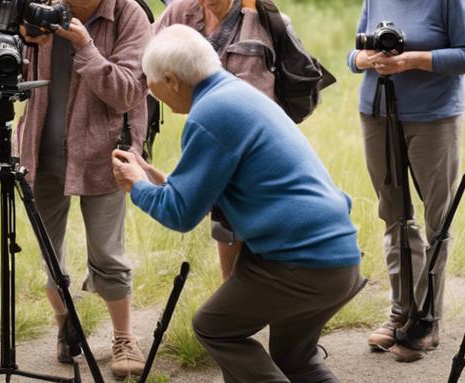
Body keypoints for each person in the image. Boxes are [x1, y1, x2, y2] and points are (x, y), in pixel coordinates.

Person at [111, 24, 365, 383]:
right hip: (337, 258)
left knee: (215, 327)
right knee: (297, 361)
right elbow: (204, 192)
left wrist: (136, 187)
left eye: (149, 82)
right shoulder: (233, 94)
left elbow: (180, 215)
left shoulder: (210, 113)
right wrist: (159, 182)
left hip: (301, 262)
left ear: (171, 80)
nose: (149, 92)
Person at [0, 0, 152, 379]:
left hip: (104, 154)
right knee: (49, 254)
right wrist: (9, 6)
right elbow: (5, 56)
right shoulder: (43, 3)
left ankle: (123, 336)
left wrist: (86, 47)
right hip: (41, 150)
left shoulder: (131, 16)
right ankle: (67, 328)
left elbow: (130, 93)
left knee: (108, 255)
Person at [348, 0, 465, 361]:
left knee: (435, 221)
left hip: (433, 118)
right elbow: (357, 49)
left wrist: (412, 60)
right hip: (378, 113)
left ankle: (426, 321)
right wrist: (362, 60)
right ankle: (399, 311)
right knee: (394, 217)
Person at [154, 0, 275, 281]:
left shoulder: (257, 19)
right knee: (223, 219)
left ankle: (257, 296)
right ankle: (231, 297)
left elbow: (264, 89)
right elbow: (148, 59)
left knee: (250, 214)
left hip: (251, 137)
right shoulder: (180, 11)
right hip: (207, 133)